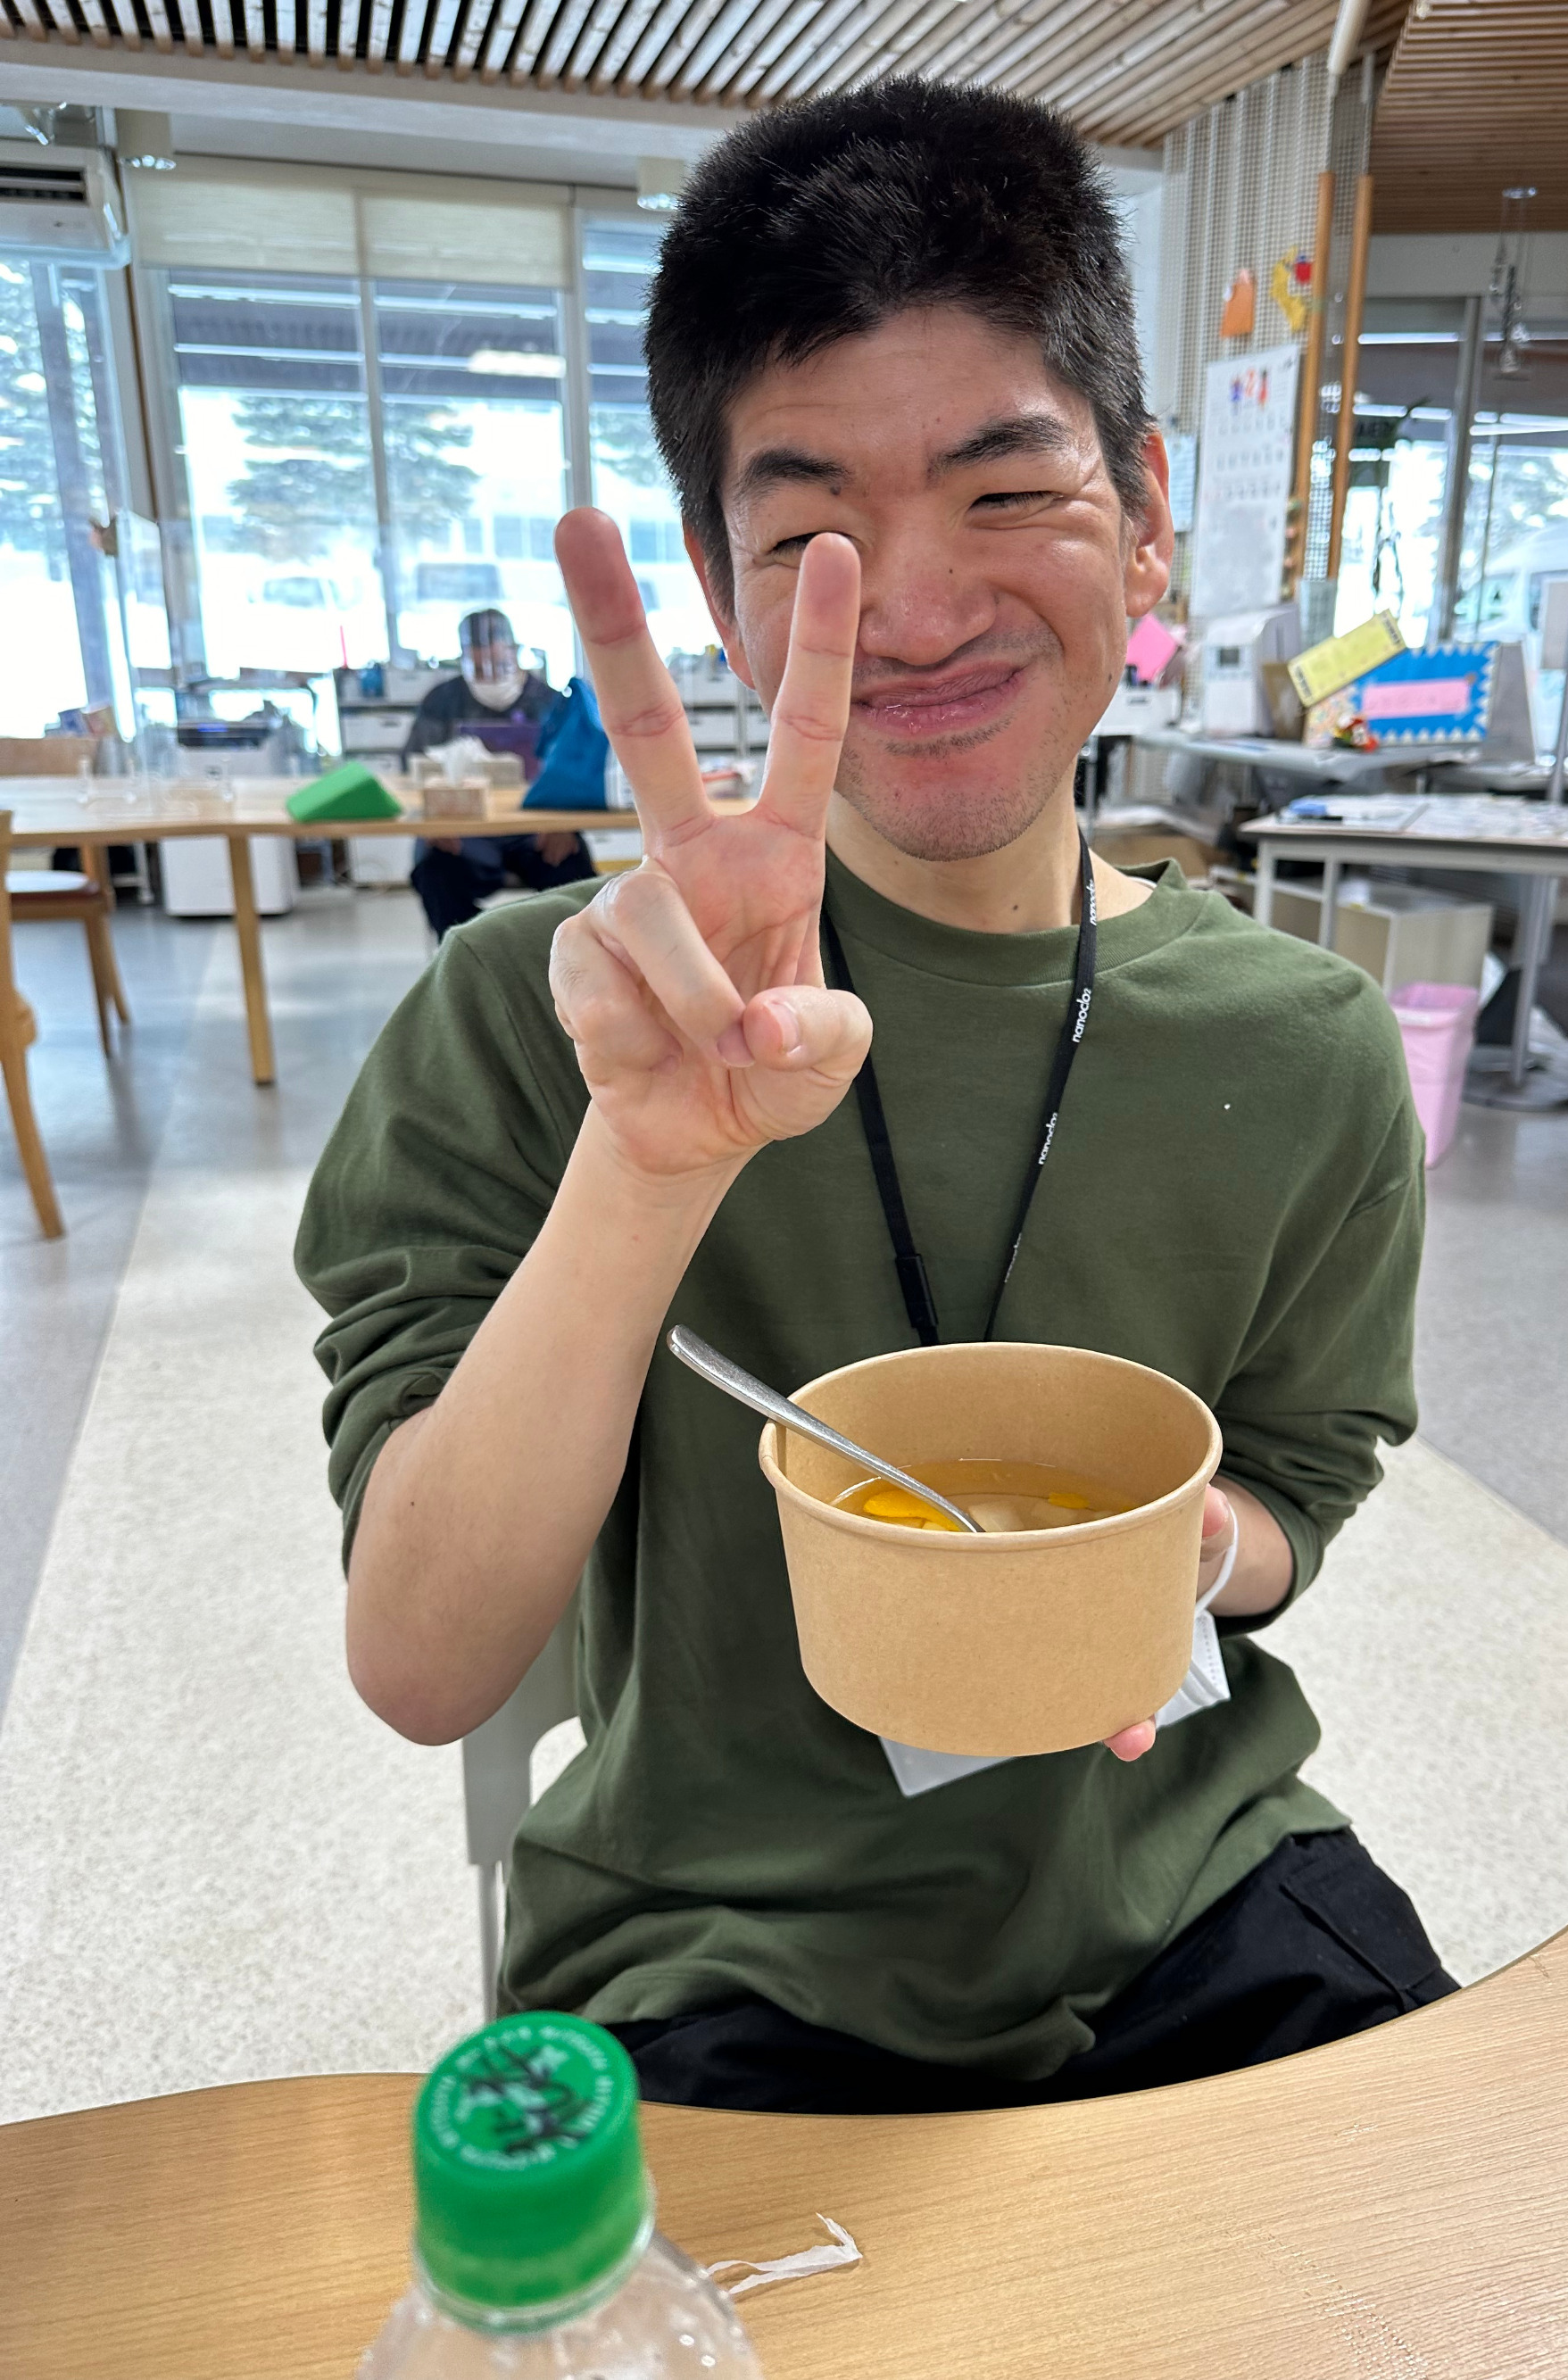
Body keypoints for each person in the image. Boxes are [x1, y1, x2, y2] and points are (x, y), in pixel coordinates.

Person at [298, 79, 1450, 2119]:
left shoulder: (1306, 1051)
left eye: (1004, 491)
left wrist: (1182, 1553)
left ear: (1144, 505)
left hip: (1201, 1884)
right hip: (726, 1937)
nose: (912, 610)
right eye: (810, 530)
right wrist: (649, 1163)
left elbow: (1301, 1476)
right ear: (716, 577)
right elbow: (422, 1661)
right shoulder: (543, 1014)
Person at [404, 607, 594, 939]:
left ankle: (569, 954)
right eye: (478, 668)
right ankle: (474, 953)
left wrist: (563, 824)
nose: (490, 676)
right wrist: (434, 824)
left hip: (536, 831)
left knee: (577, 877)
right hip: (465, 832)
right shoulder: (441, 702)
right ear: (463, 659)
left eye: (499, 664)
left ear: (515, 652)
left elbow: (577, 770)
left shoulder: (550, 701)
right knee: (435, 873)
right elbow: (413, 768)